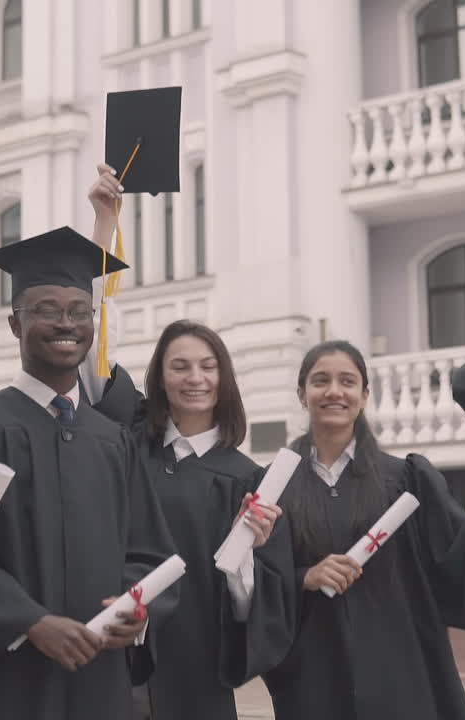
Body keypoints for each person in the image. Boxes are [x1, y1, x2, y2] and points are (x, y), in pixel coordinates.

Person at [0, 226, 178, 720]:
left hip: (100, 673)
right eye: (46, 310)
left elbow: (149, 551)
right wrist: (29, 621)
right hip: (13, 676)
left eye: (80, 311)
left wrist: (136, 608)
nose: (66, 323)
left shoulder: (113, 440)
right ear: (14, 323)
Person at [82, 166, 295, 720]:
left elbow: (255, 609)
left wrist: (246, 557)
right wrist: (104, 224)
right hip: (117, 657)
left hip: (197, 671)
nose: (194, 378)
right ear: (160, 377)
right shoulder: (129, 441)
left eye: (207, 366)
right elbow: (94, 348)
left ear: (224, 378)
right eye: (179, 366)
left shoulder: (247, 482)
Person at [263, 341, 465, 719]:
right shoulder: (274, 485)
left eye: (347, 381)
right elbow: (255, 580)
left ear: (364, 395)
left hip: (400, 670)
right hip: (314, 674)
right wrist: (305, 577)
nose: (334, 391)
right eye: (320, 381)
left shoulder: (406, 479)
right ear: (302, 394)